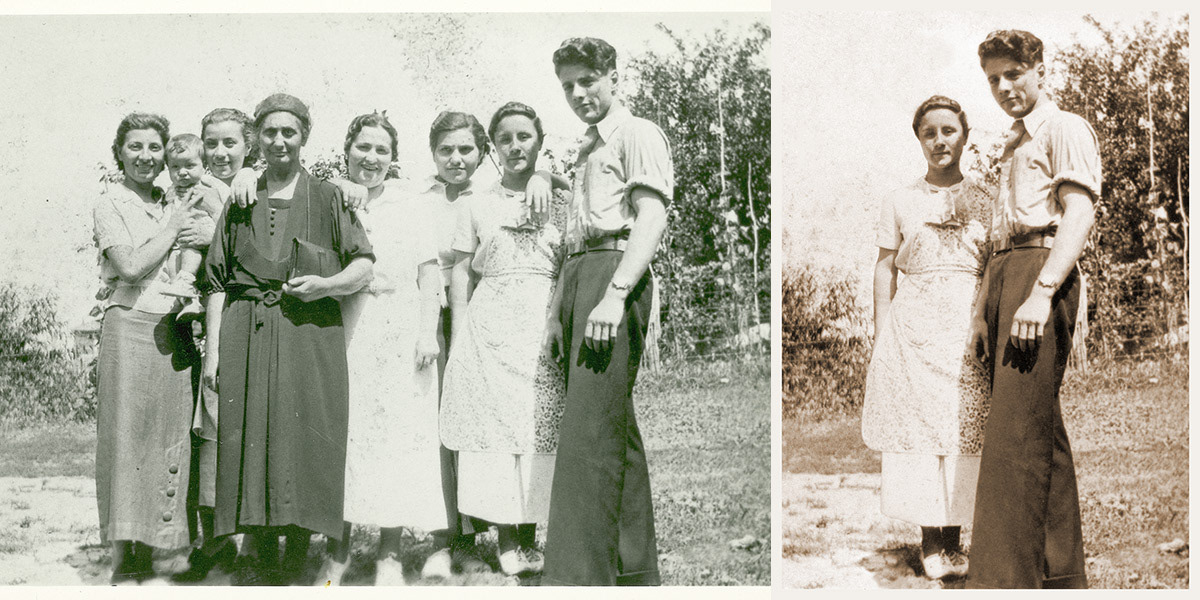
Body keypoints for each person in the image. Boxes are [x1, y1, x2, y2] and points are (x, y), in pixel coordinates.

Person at [203, 93, 374, 586]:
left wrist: (327, 285)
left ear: (305, 137)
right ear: (257, 137)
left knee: (303, 436)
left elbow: (364, 264)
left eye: (289, 132)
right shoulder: (241, 197)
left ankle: (298, 548)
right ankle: (257, 551)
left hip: (309, 331)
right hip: (247, 330)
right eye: (270, 132)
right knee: (250, 435)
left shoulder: (329, 197)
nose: (279, 141)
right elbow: (216, 280)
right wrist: (214, 352)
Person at [967, 30, 1100, 589]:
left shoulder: (1064, 128)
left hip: (1039, 272)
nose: (1003, 87)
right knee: (1039, 427)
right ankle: (1061, 574)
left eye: (1013, 74)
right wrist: (982, 309)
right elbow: (1000, 235)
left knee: (1014, 434)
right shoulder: (1013, 143)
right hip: (1006, 272)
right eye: (993, 79)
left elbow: (1078, 213)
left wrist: (1043, 292)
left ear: (1040, 70)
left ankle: (1003, 581)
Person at [542, 37, 673, 586]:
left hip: (613, 274)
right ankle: (633, 569)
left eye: (587, 81)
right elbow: (575, 238)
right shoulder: (587, 147)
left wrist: (616, 295)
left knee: (589, 432)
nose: (578, 94)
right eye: (567, 86)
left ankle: (579, 578)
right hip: (580, 275)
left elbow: (651, 217)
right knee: (613, 426)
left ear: (614, 77)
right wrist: (557, 310)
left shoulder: (637, 133)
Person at [860, 95, 992, 580]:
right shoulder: (899, 199)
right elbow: (884, 268)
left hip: (967, 329)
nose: (939, 141)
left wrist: (984, 318)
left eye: (948, 130)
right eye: (929, 133)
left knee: (960, 427)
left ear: (965, 136)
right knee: (919, 430)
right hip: (913, 330)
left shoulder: (988, 199)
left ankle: (955, 540)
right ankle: (931, 541)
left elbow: (994, 268)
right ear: (919, 140)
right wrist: (882, 334)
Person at [312, 112, 444, 586]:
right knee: (346, 436)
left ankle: (390, 552)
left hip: (402, 328)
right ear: (347, 149)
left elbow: (429, 275)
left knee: (398, 439)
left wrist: (428, 332)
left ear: (393, 158)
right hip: (347, 325)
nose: (371, 158)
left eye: (381, 150)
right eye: (363, 147)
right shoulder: (328, 197)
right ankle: (338, 552)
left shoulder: (412, 205)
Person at [439, 101, 569, 577]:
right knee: (494, 432)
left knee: (536, 427)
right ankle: (507, 540)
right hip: (489, 325)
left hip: (542, 326)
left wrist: (547, 176)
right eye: (505, 139)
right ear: (493, 147)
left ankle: (531, 537)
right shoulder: (476, 202)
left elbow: (569, 265)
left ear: (540, 141)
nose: (515, 147)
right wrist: (459, 335)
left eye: (524, 137)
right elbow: (460, 271)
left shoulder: (562, 199)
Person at [92, 112, 205, 584]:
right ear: (119, 153)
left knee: (170, 438)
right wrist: (175, 226)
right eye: (135, 146)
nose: (145, 156)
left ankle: (165, 551)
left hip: (173, 328)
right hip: (129, 326)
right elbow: (132, 266)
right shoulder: (109, 203)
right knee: (126, 440)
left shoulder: (175, 196)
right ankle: (124, 556)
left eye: (154, 147)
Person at [172, 108, 258, 584]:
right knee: (210, 430)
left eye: (231, 143)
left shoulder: (259, 185)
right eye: (212, 143)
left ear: (249, 146)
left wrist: (216, 233)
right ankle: (215, 541)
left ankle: (257, 542)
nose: (221, 153)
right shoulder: (196, 188)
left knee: (254, 432)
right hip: (211, 319)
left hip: (254, 319)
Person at [160, 134, 225, 318]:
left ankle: (186, 282)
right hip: (182, 237)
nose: (182, 172)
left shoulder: (208, 183)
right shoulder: (171, 190)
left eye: (189, 166)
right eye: (175, 167)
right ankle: (190, 301)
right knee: (173, 261)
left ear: (204, 165)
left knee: (189, 250)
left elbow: (225, 201)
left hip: (201, 230)